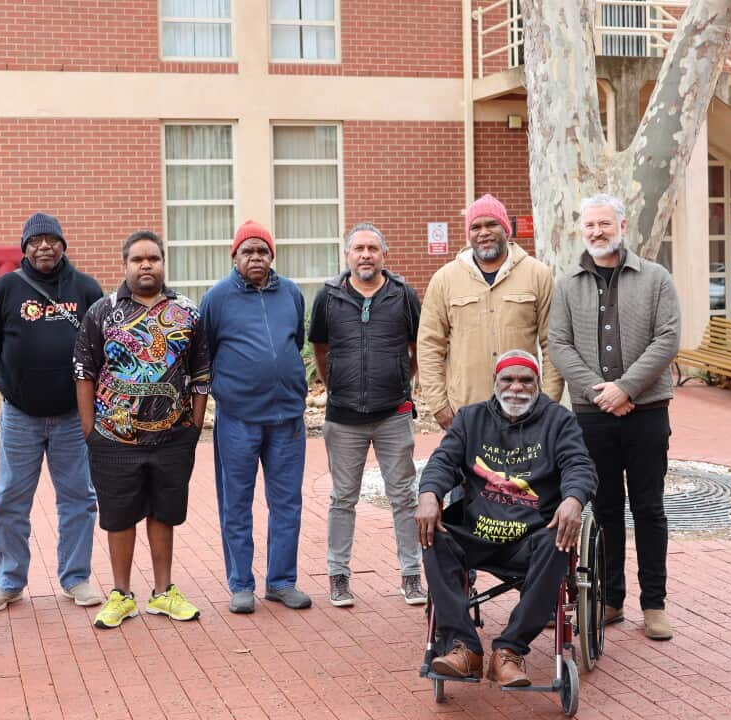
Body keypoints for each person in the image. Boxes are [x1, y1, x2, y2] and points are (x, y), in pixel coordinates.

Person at [416, 350, 597, 687]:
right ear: (495, 382)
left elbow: (579, 465)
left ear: (538, 384)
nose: (516, 387)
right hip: (476, 532)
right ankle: (464, 648)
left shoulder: (559, 421)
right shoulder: (470, 419)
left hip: (532, 537)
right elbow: (443, 461)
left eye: (525, 380)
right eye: (508, 379)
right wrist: (429, 494)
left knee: (559, 541)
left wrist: (574, 499)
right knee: (434, 536)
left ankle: (509, 651)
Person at [548, 193, 681, 641]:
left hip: (646, 413)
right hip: (592, 416)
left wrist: (626, 388)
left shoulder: (656, 278)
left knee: (648, 508)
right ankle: (610, 598)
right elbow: (559, 344)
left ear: (623, 226)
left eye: (604, 224)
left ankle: (654, 604)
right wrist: (598, 392)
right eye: (589, 225)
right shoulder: (567, 285)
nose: (597, 232)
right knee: (603, 508)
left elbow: (667, 338)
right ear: (581, 231)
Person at [74, 230, 210, 629]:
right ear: (125, 265)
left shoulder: (188, 312)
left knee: (163, 512)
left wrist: (194, 426)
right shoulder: (102, 312)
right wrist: (90, 430)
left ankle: (163, 592)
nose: (146, 264)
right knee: (118, 516)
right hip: (113, 438)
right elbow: (83, 372)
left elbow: (202, 373)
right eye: (137, 259)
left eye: (153, 258)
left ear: (163, 263)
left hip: (173, 438)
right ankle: (121, 594)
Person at [0, 212, 105, 612]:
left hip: (72, 416)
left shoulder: (86, 288)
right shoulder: (6, 288)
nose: (44, 247)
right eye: (35, 241)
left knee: (78, 498)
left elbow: (103, 349)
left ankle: (76, 577)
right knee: (9, 500)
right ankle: (9, 580)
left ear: (63, 245)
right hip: (20, 415)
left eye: (52, 240)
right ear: (25, 248)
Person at [309, 223, 425, 607]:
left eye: (373, 249)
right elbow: (321, 350)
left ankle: (412, 576)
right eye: (358, 248)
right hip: (343, 418)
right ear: (347, 255)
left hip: (394, 414)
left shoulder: (403, 295)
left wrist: (400, 381)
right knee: (343, 498)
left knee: (404, 498)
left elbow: (416, 347)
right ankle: (338, 577)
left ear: (384, 255)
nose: (365, 255)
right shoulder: (328, 297)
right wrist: (336, 387)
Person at [200, 219, 311, 614]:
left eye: (262, 251)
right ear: (235, 256)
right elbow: (204, 352)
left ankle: (281, 582)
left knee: (287, 503)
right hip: (238, 419)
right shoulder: (217, 298)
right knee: (236, 503)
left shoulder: (291, 293)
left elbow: (296, 341)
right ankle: (241, 584)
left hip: (287, 419)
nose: (256, 257)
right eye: (247, 251)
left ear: (272, 255)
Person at [418, 194, 563, 432]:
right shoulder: (444, 279)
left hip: (524, 408)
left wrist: (548, 401)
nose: (484, 232)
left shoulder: (538, 274)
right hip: (466, 410)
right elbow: (429, 345)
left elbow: (553, 342)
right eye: (476, 227)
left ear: (506, 229)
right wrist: (438, 405)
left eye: (492, 224)